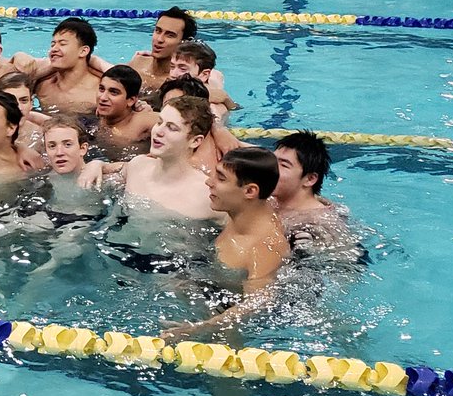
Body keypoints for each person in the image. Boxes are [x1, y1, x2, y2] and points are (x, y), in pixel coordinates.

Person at [121, 96, 222, 219]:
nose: (158, 131)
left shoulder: (207, 196)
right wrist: (97, 165)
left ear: (195, 141)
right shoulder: (137, 166)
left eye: (172, 128)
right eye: (159, 122)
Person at [206, 147, 290, 290]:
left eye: (221, 178)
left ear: (250, 191)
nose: (208, 182)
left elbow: (256, 303)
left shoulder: (263, 248)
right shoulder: (247, 208)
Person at [272, 131, 354, 253]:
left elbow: (350, 263)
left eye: (284, 165)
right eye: (272, 160)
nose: (270, 168)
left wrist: (311, 252)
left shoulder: (323, 222)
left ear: (310, 179)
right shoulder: (267, 201)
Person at [93, 65, 158, 159]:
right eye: (101, 89)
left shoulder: (143, 121)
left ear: (131, 100)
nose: (103, 98)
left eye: (114, 92)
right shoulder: (99, 114)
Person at [130, 6, 195, 95]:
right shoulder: (138, 63)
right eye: (158, 31)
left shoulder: (181, 80)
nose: (159, 39)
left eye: (170, 35)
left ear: (184, 42)